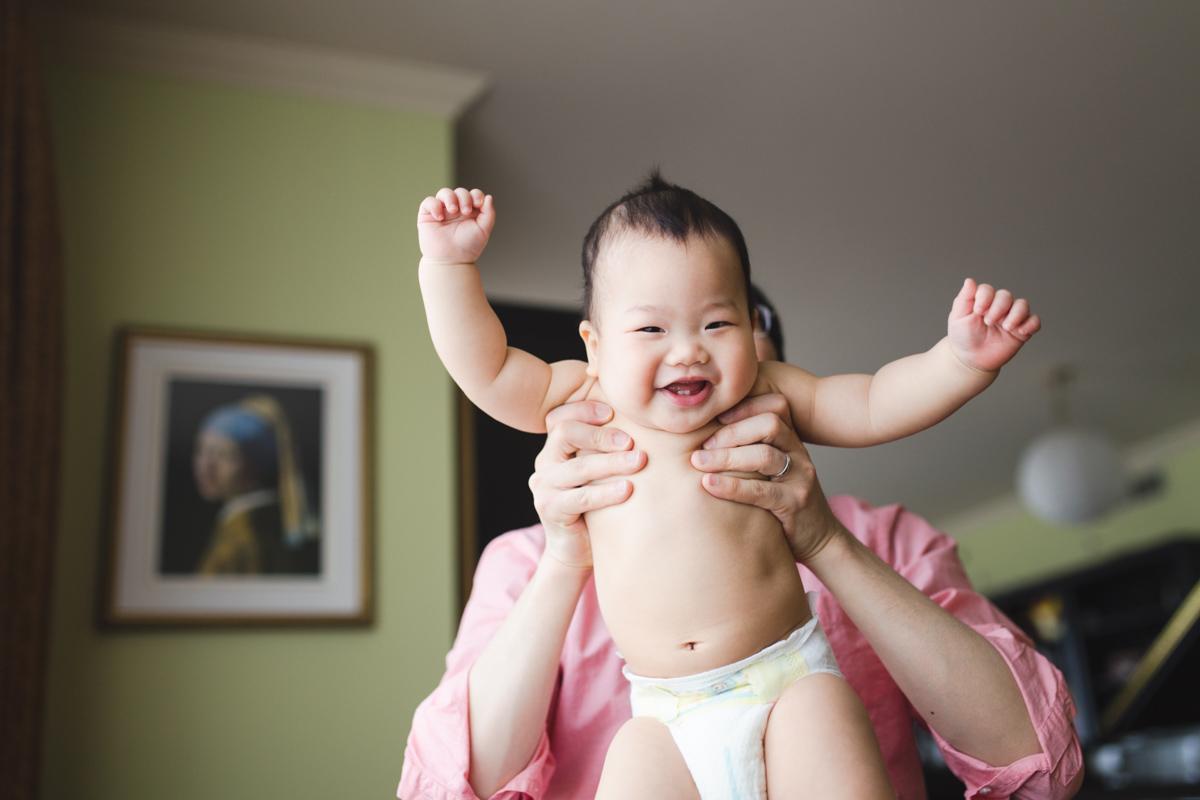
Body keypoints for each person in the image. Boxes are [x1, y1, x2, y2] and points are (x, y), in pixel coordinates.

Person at [414, 174, 1044, 799]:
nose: (688, 351)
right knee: (628, 760)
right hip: (662, 714)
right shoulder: (584, 395)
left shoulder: (772, 391)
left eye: (717, 324)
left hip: (789, 681)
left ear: (752, 332)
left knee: (825, 724)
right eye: (652, 330)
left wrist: (959, 363)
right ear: (595, 346)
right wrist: (448, 267)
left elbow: (877, 402)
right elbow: (488, 367)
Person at [192, 394, 320, 574]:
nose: (206, 466)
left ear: (256, 466)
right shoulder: (238, 526)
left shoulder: (246, 537)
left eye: (225, 455)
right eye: (201, 450)